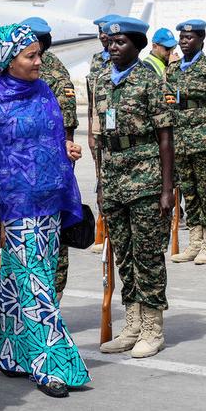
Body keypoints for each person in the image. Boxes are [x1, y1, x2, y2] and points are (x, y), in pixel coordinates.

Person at [0, 23, 89, 398]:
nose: (40, 61)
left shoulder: (43, 91)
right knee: (35, 285)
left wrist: (66, 148)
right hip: (14, 208)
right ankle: (51, 365)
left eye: (39, 54)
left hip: (49, 203)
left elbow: (49, 137)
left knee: (18, 282)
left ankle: (9, 353)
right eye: (31, 56)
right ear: (9, 61)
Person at [95, 17, 175, 358]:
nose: (113, 47)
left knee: (148, 255)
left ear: (138, 45)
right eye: (111, 42)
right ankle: (132, 323)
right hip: (114, 179)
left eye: (121, 42)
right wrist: (101, 183)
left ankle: (152, 328)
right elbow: (101, 138)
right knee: (124, 256)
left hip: (146, 179)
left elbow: (166, 138)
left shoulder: (150, 81)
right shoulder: (101, 81)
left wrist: (167, 189)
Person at [21, 16, 79, 302]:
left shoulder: (54, 74)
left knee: (52, 236)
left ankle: (52, 298)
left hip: (49, 170)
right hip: (19, 172)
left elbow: (66, 129)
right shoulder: (11, 73)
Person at [167, 19, 206, 265]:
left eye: (189, 37)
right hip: (179, 140)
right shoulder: (172, 69)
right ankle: (195, 241)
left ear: (201, 39)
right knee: (189, 193)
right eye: (182, 37)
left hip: (204, 140)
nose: (184, 41)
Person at [88, 14, 119, 254]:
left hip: (117, 130)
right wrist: (91, 129)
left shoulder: (123, 58)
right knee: (101, 179)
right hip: (99, 127)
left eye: (106, 32)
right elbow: (92, 98)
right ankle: (103, 227)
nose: (102, 36)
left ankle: (113, 230)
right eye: (100, 32)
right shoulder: (97, 60)